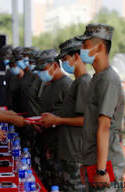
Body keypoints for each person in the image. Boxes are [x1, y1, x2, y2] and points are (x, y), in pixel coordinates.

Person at [76, 24, 125, 191]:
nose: (81, 49)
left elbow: (104, 127)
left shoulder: (108, 80)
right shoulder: (97, 77)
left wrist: (101, 170)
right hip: (94, 160)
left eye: (86, 45)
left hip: (106, 163)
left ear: (101, 47)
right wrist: (87, 163)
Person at [41, 38, 90, 192]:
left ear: (77, 56)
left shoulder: (83, 83)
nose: (63, 63)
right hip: (68, 151)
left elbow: (86, 120)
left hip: (76, 154)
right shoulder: (77, 82)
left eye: (65, 59)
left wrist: (58, 120)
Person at [34, 49, 73, 189]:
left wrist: (55, 121)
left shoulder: (67, 85)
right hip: (46, 142)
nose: (40, 73)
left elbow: (72, 117)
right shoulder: (47, 85)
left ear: (55, 66)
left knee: (58, 184)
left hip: (59, 147)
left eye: (42, 69)